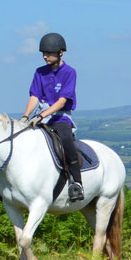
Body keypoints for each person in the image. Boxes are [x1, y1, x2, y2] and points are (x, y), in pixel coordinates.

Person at [23, 32, 84, 202]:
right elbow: (34, 96)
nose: (45, 57)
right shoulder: (39, 72)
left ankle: (76, 184)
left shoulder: (69, 72)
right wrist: (25, 116)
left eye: (49, 54)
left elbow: (62, 101)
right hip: (39, 117)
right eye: (43, 53)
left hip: (60, 118)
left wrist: (42, 115)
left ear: (60, 53)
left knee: (66, 141)